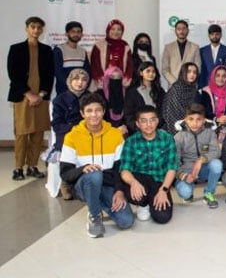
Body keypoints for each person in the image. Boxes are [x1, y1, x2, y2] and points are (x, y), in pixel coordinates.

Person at [60, 93, 134, 237]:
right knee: (94, 174)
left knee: (126, 221)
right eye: (89, 111)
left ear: (104, 112)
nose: (94, 114)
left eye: (98, 110)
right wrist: (82, 169)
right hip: (84, 184)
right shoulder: (72, 137)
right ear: (82, 113)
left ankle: (95, 202)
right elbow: (65, 173)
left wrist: (119, 191)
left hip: (108, 184)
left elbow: (122, 168)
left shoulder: (115, 135)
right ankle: (95, 216)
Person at [7, 16, 54, 180]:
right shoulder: (16, 49)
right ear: (27, 28)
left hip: (41, 98)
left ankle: (33, 166)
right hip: (22, 97)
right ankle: (18, 168)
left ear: (42, 30)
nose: (36, 30)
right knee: (21, 133)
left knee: (38, 133)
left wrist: (41, 94)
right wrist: (28, 94)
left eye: (39, 28)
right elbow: (13, 74)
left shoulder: (47, 50)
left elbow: (50, 75)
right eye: (33, 27)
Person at [120, 105, 178, 224]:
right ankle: (143, 203)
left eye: (152, 120)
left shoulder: (167, 138)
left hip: (159, 182)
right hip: (140, 180)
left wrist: (164, 190)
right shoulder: (131, 141)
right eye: (144, 121)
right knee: (136, 194)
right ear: (137, 124)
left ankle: (153, 199)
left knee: (163, 217)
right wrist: (133, 183)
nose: (148, 124)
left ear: (157, 121)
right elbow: (124, 169)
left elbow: (172, 167)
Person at [50, 68, 90, 199]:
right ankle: (66, 181)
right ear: (69, 81)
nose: (80, 83)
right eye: (76, 79)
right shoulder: (60, 100)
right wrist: (74, 128)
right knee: (68, 147)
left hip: (89, 131)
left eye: (84, 80)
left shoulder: (91, 97)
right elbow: (57, 125)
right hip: (69, 133)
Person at [173, 103, 222, 208]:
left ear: (204, 120)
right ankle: (188, 193)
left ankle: (209, 193)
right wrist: (184, 176)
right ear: (185, 119)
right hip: (187, 171)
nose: (194, 123)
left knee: (217, 164)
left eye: (198, 119)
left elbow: (216, 152)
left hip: (204, 168)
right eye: (191, 119)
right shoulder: (179, 136)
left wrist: (201, 160)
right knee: (185, 192)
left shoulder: (210, 133)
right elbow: (173, 161)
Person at [124, 61, 166, 135]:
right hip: (138, 131)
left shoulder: (160, 91)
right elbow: (128, 115)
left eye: (153, 71)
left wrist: (156, 126)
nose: (151, 74)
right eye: (148, 71)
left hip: (157, 129)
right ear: (141, 73)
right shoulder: (132, 92)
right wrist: (139, 128)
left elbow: (164, 110)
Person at [89, 19, 133, 90]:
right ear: (108, 30)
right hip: (102, 84)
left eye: (119, 29)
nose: (116, 32)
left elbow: (129, 65)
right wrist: (100, 78)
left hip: (120, 84)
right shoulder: (99, 45)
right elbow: (94, 64)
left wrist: (127, 77)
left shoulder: (125, 46)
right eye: (113, 29)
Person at [162, 62, 201, 134]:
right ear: (183, 73)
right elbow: (173, 113)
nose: (192, 75)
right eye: (189, 72)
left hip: (191, 125)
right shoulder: (176, 88)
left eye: (195, 72)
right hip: (173, 127)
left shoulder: (194, 90)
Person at [200, 65, 226, 141]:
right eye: (218, 75)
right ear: (213, 76)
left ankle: (224, 151)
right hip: (209, 122)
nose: (221, 79)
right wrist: (216, 119)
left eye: (224, 76)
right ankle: (205, 152)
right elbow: (204, 110)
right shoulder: (205, 91)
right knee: (206, 143)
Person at [53, 21, 90, 95]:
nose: (76, 34)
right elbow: (58, 73)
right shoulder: (59, 50)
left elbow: (87, 72)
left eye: (78, 32)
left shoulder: (83, 51)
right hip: (64, 92)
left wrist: (82, 86)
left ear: (82, 35)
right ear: (66, 34)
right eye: (73, 31)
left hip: (81, 92)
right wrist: (73, 87)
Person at [161, 20, 201, 86]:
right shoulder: (168, 47)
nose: (181, 31)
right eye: (179, 29)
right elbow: (165, 69)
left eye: (184, 29)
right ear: (175, 31)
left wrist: (189, 81)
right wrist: (175, 83)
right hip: (173, 86)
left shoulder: (195, 47)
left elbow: (198, 68)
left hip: (190, 86)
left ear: (188, 31)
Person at [199, 24, 226, 88]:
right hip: (206, 86)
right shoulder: (202, 51)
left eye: (217, 34)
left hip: (222, 86)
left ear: (221, 35)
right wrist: (201, 87)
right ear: (209, 35)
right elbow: (201, 71)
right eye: (212, 34)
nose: (214, 36)